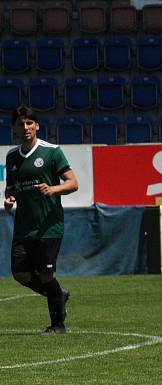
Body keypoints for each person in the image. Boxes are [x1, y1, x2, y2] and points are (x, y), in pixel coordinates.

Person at [3, 106, 78, 334]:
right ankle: (58, 294)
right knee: (21, 274)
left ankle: (57, 325)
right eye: (20, 124)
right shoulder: (12, 156)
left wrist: (53, 189)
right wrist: (9, 200)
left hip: (48, 225)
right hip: (24, 226)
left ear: (37, 126)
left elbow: (73, 183)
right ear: (14, 128)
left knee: (46, 275)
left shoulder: (52, 151)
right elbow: (11, 188)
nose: (25, 128)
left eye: (29, 123)